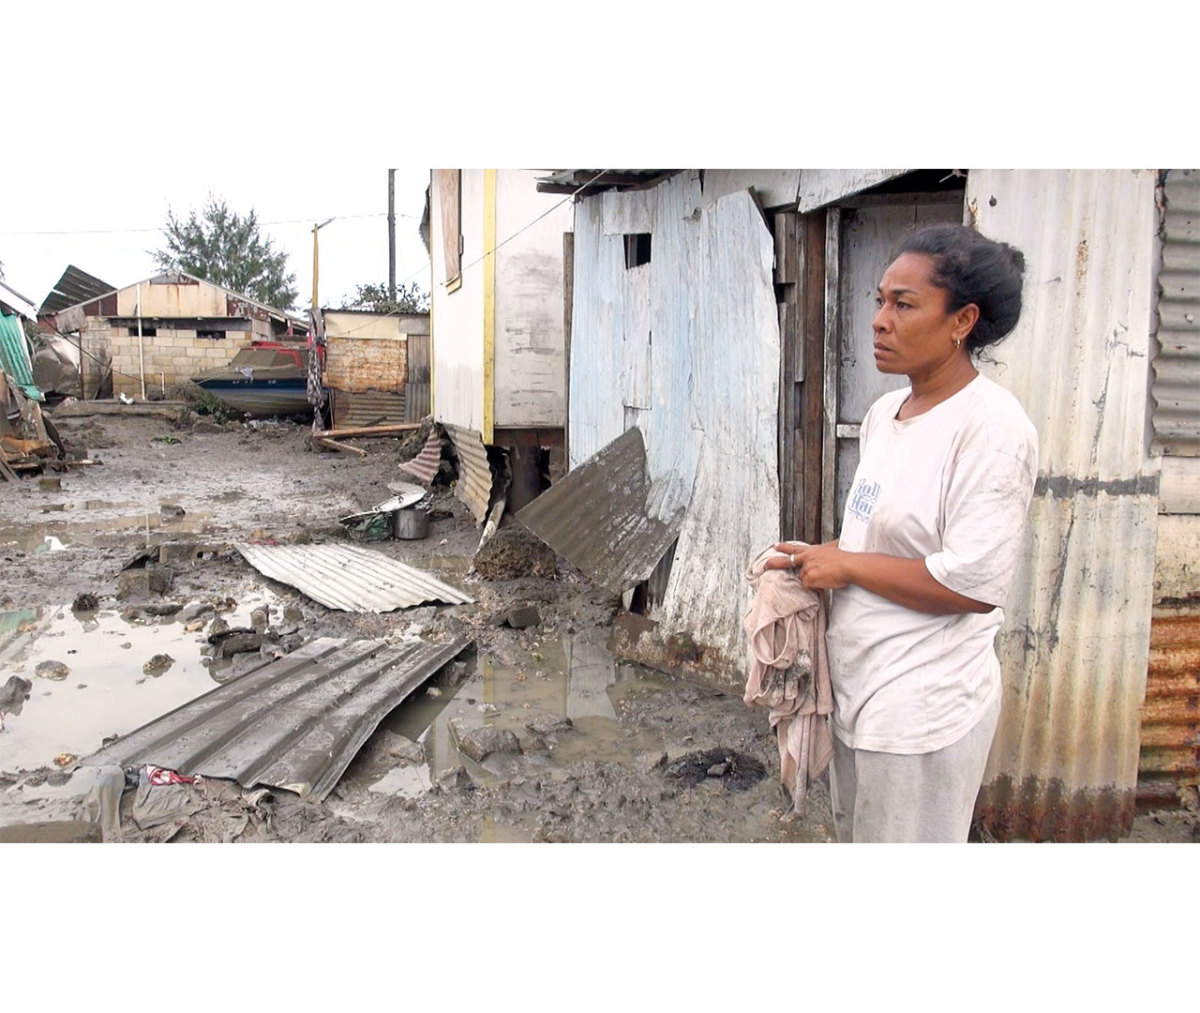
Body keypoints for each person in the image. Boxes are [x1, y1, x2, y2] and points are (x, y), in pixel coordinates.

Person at [765, 224, 1038, 843]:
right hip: (857, 682)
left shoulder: (992, 429)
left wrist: (850, 568)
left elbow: (973, 585)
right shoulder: (886, 415)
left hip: (921, 705)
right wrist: (823, 557)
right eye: (880, 301)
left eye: (904, 304)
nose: (880, 321)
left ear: (962, 321)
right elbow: (882, 541)